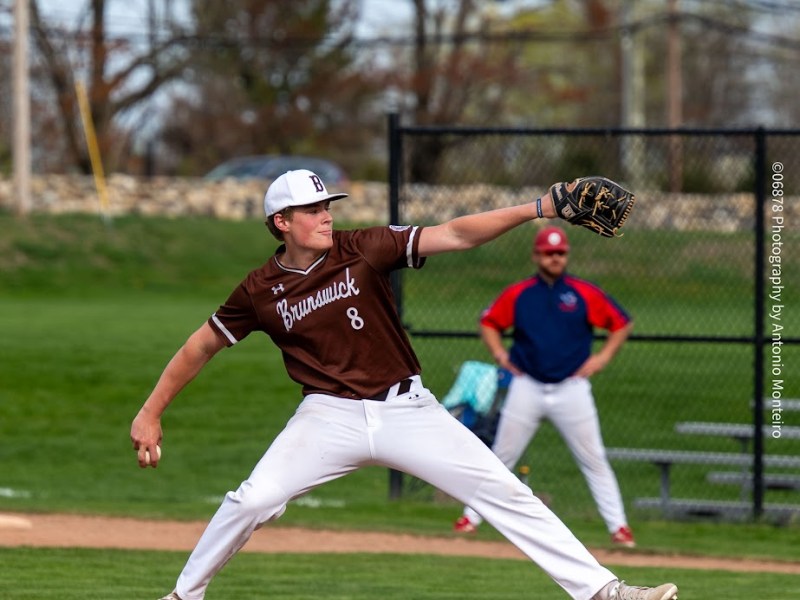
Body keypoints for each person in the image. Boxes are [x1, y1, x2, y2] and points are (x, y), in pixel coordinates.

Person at [130, 169, 678, 600]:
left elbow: (457, 234)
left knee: (506, 491)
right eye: (313, 209)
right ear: (281, 222)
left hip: (407, 409)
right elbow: (200, 345)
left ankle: (605, 591)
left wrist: (541, 208)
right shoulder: (259, 290)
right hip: (328, 416)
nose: (326, 215)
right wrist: (151, 411)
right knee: (253, 500)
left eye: (327, 206)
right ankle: (184, 594)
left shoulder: (364, 247)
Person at [453, 225, 636, 548]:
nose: (555, 257)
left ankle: (619, 528)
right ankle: (470, 517)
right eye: (549, 252)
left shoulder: (582, 292)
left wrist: (603, 357)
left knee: (593, 459)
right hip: (528, 385)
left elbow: (621, 322)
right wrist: (499, 353)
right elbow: (489, 321)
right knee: (501, 457)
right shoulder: (521, 293)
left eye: (560, 252)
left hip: (571, 387)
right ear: (536, 255)